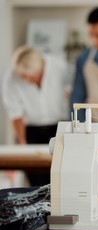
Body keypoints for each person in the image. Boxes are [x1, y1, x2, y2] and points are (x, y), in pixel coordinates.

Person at [2, 46, 70, 187]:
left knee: (61, 177)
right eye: (23, 77)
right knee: (37, 181)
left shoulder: (60, 67)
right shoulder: (10, 79)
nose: (26, 81)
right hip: (31, 129)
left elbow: (75, 93)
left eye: (31, 77)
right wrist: (21, 143)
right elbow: (16, 115)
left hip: (60, 127)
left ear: (41, 67)